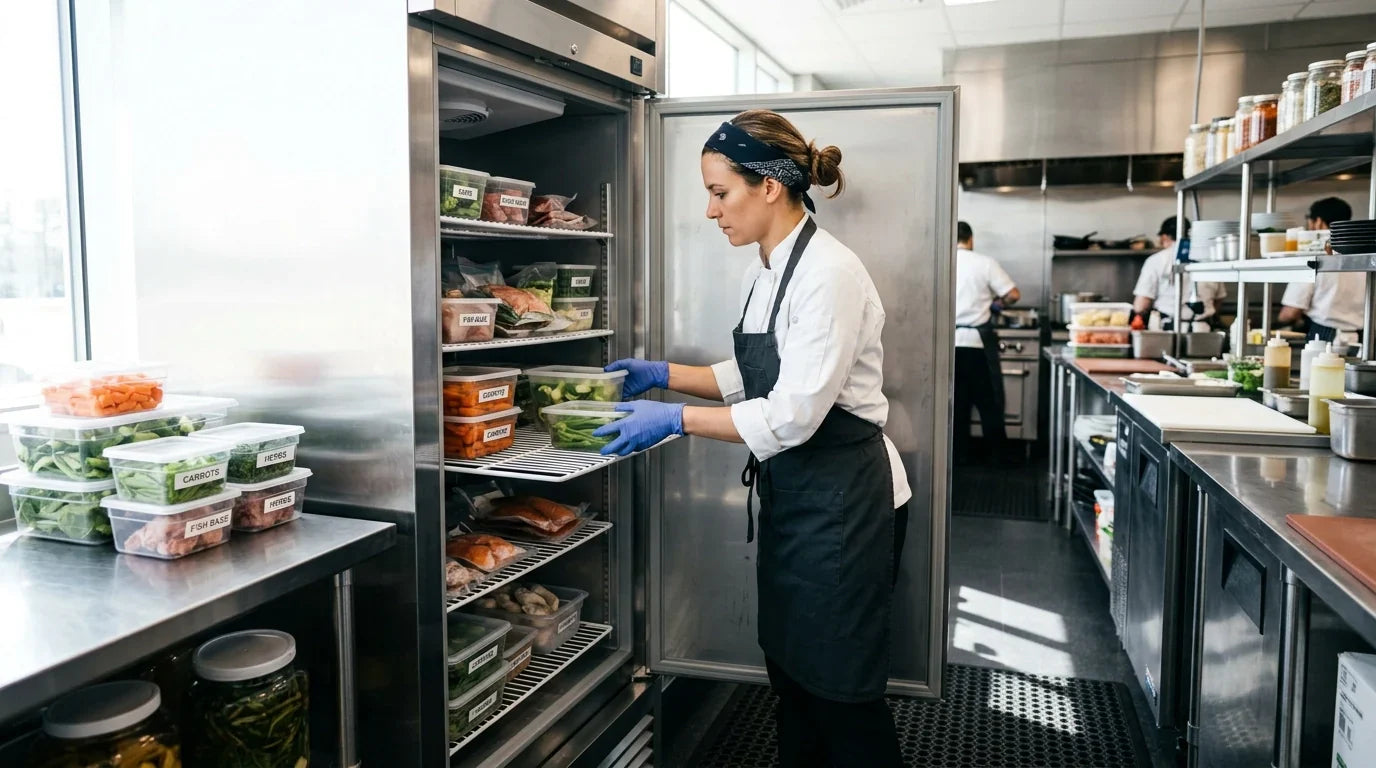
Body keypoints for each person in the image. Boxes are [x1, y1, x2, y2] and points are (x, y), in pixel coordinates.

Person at [594, 110, 909, 767]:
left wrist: (673, 420)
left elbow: (793, 414)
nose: (711, 211)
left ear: (769, 186)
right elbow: (753, 375)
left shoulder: (829, 273)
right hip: (796, 497)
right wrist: (661, 375)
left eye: (719, 192)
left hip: (846, 502)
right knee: (792, 672)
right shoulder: (764, 270)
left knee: (841, 691)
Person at [953, 221, 1018, 466]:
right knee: (989, 402)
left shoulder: (944, 263)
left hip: (950, 345)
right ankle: (998, 458)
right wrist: (997, 304)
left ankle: (958, 458)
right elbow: (1013, 294)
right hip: (977, 344)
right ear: (970, 239)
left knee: (957, 404)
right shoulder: (984, 263)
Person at [1280, 197, 1363, 342]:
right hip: (1363, 336)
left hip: (1324, 335)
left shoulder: (1314, 255)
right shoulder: (1362, 254)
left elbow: (1290, 312)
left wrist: (1276, 321)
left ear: (1318, 221)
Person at [1132, 216, 1227, 329]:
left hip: (1166, 329)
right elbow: (1219, 299)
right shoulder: (1209, 258)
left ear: (1165, 237)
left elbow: (1141, 305)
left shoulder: (1156, 260)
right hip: (1203, 328)